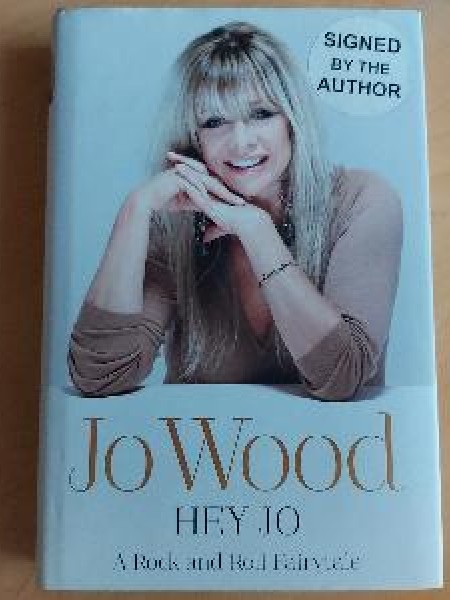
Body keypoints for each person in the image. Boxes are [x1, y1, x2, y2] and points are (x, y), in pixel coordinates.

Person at [67, 21, 403, 400]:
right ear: (193, 138)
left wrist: (257, 232)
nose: (241, 143)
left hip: (330, 441)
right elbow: (99, 377)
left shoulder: (362, 200)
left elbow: (342, 378)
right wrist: (135, 210)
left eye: (261, 114)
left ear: (292, 122)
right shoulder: (175, 222)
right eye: (214, 122)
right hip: (202, 439)